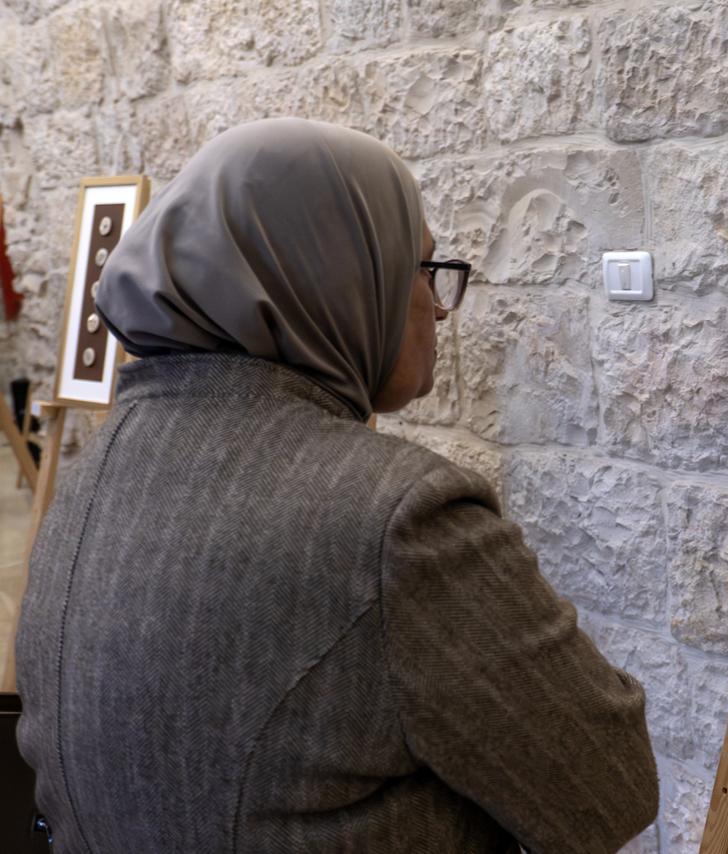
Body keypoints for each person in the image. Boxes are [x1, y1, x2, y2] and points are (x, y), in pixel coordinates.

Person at [15, 118, 659, 853]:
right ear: (337, 277)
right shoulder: (400, 522)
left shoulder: (92, 473)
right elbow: (610, 788)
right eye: (422, 269)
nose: (438, 306)